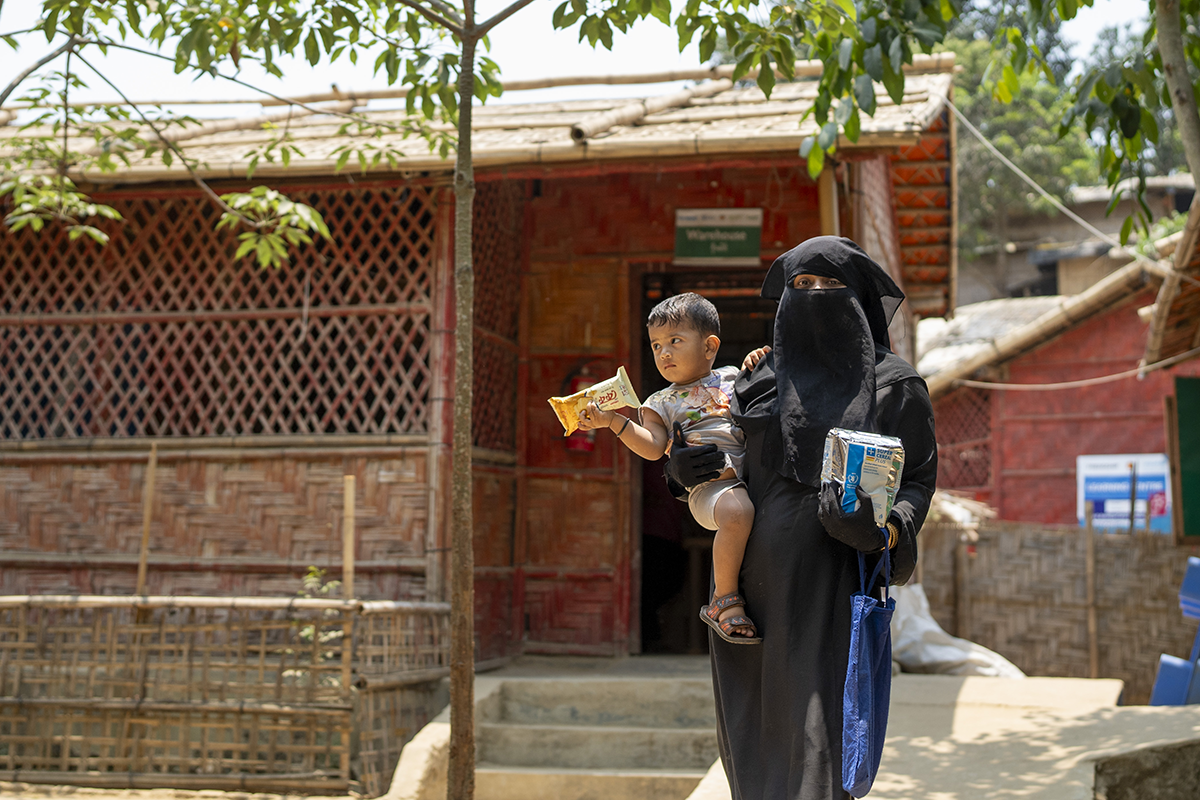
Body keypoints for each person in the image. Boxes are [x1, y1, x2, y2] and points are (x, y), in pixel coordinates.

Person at [665, 237, 938, 800]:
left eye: (830, 287)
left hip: (834, 583)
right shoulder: (755, 382)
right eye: (801, 287)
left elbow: (916, 482)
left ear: (859, 298)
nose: (813, 297)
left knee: (821, 746)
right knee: (755, 743)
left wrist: (881, 529)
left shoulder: (894, 384)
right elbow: (726, 461)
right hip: (747, 595)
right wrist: (679, 469)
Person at [577, 292, 761, 643]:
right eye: (656, 345)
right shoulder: (659, 403)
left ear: (709, 347)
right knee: (738, 512)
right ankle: (724, 601)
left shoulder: (734, 378)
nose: (664, 352)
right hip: (712, 489)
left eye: (675, 341)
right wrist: (615, 422)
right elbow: (652, 447)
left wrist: (760, 361)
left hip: (751, 477)